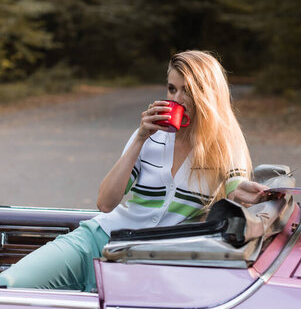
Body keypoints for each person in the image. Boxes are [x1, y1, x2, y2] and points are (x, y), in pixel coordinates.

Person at [0, 50, 268, 291]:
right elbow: (105, 203)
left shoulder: (224, 146)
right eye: (171, 89)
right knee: (9, 285)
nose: (176, 98)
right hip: (97, 241)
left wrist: (246, 192)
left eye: (186, 91)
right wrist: (140, 138)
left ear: (206, 95)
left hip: (149, 265)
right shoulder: (151, 137)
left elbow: (236, 183)